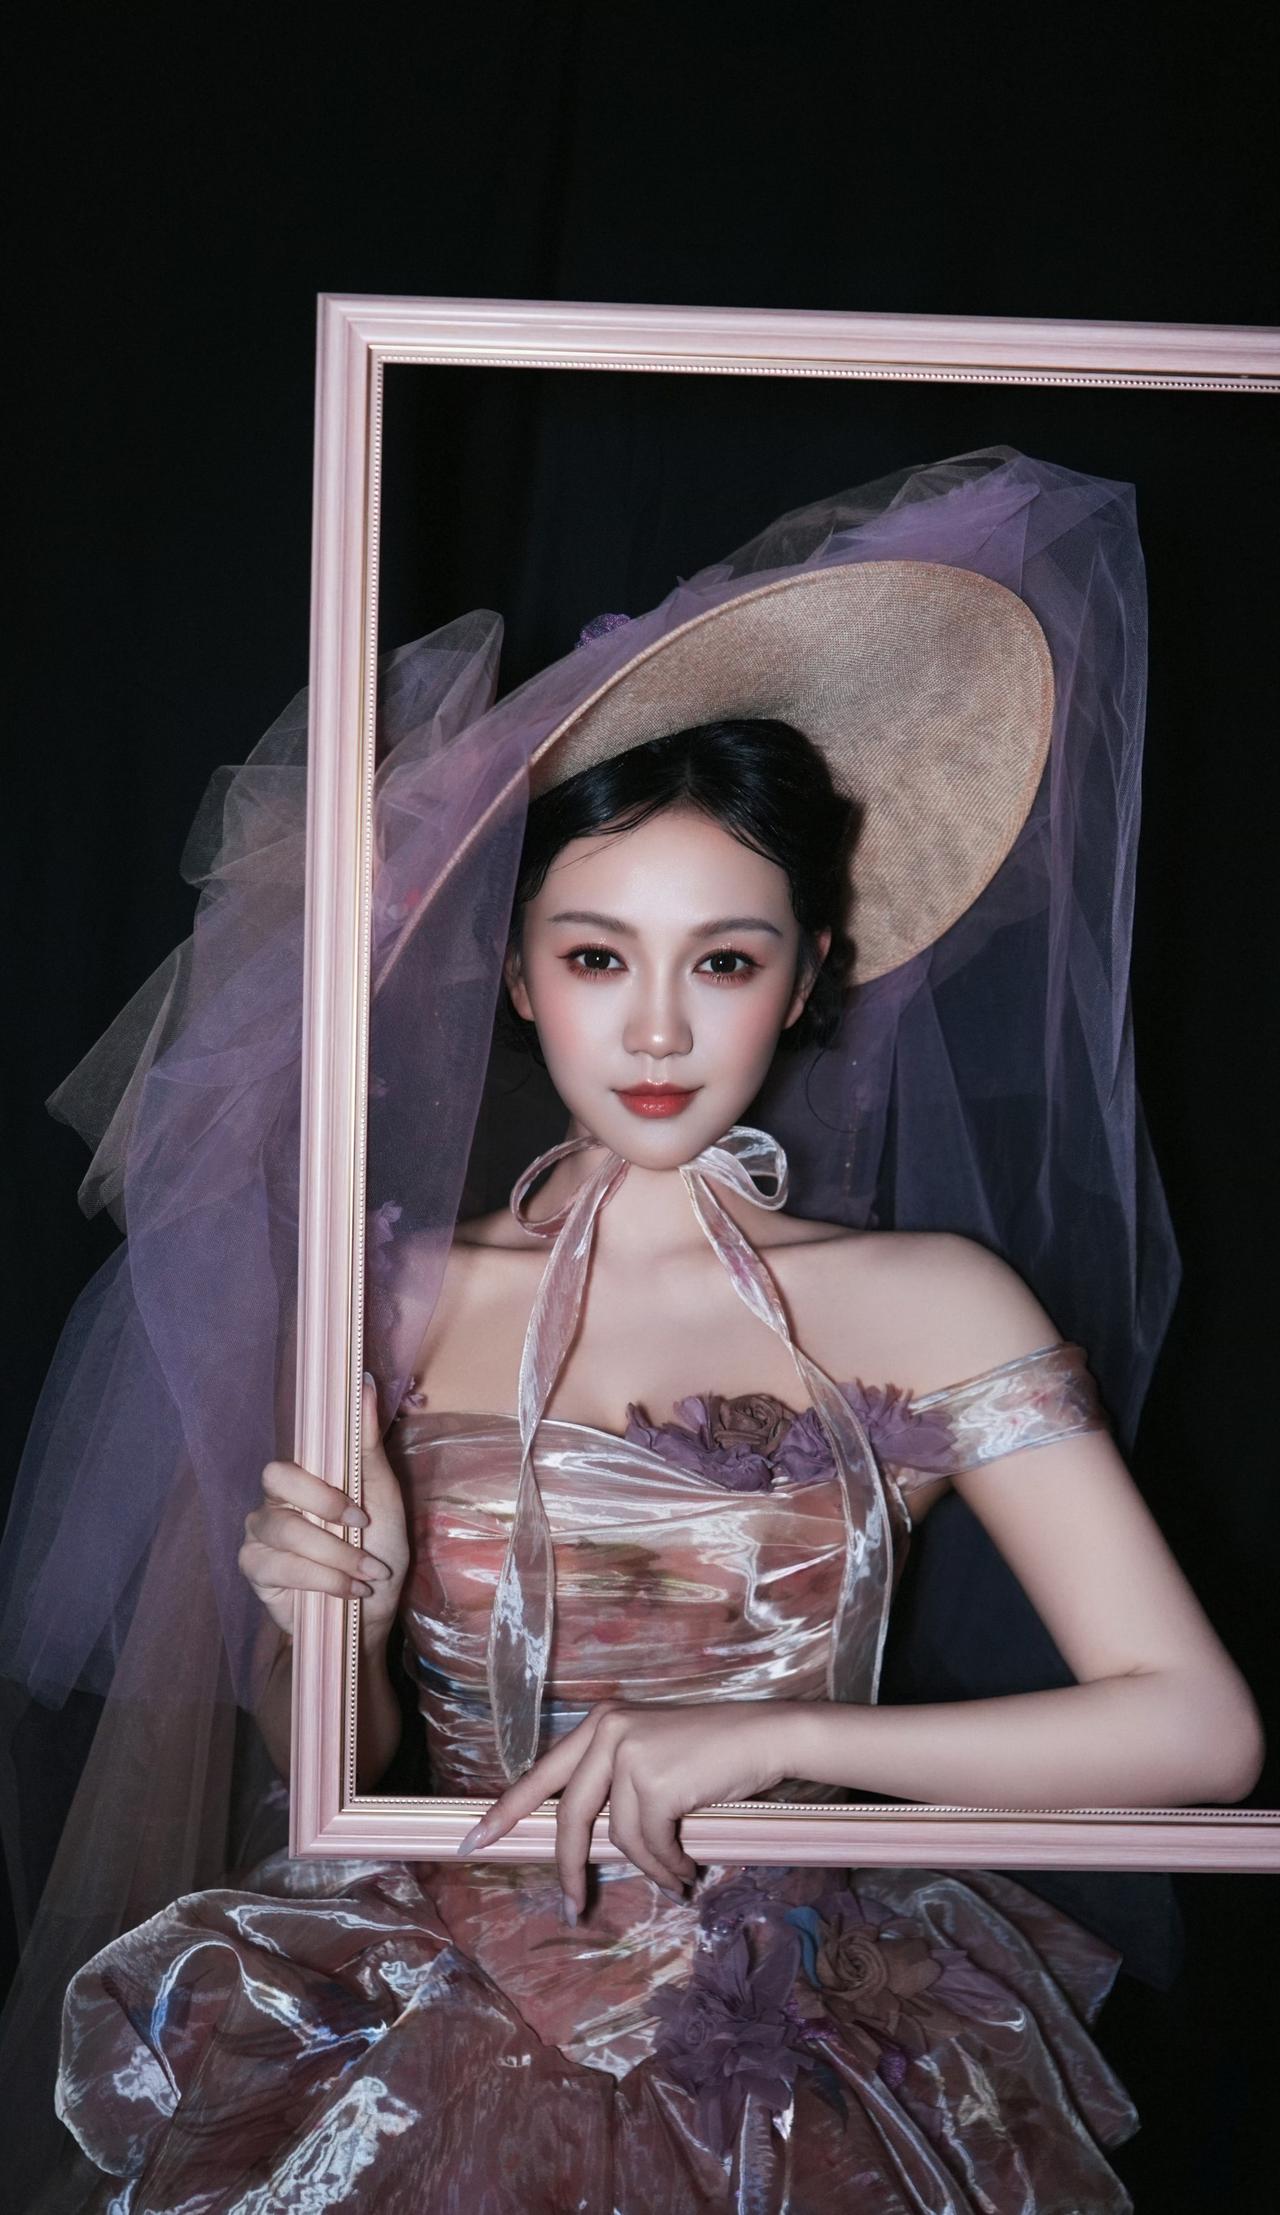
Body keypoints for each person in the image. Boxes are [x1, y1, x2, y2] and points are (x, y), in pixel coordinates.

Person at [1, 447, 1262, 2210]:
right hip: (420, 2028)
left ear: (809, 976)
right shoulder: (385, 1295)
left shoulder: (926, 1302)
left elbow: (1197, 1731)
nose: (658, 1028)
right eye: (598, 957)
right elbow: (334, 1770)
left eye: (723, 961)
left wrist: (771, 1744)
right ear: (517, 976)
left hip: (797, 2044)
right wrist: (334, 1630)